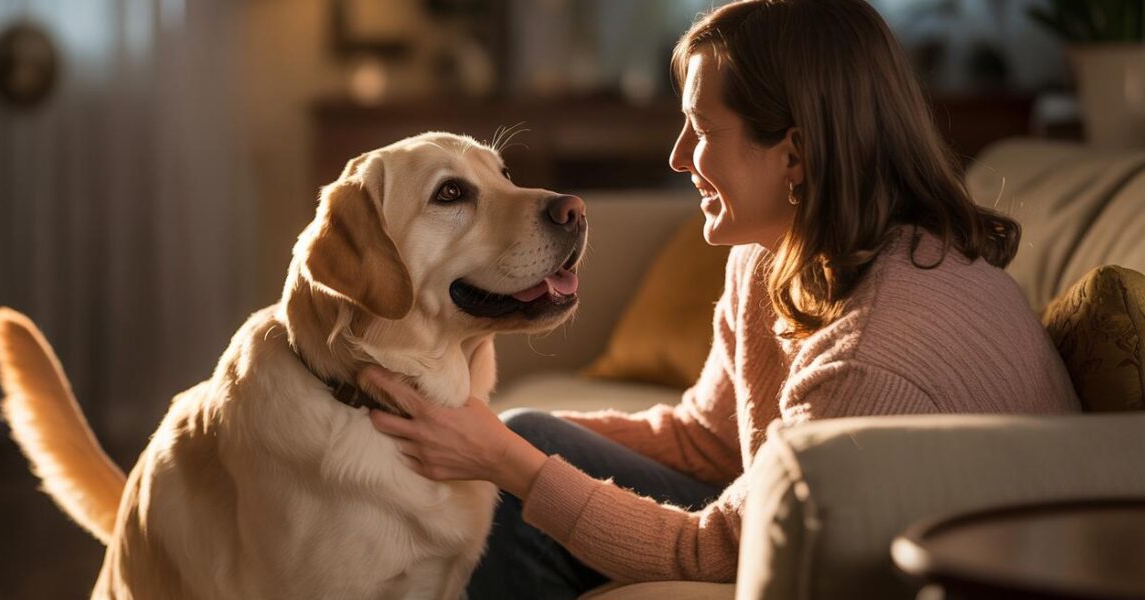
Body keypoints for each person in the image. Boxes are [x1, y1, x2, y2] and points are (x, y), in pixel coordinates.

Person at [361, 0, 1080, 597]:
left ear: (794, 155)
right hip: (794, 509)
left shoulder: (872, 358)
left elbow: (721, 553)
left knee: (515, 489)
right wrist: (500, 433)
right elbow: (706, 437)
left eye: (701, 130)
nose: (677, 157)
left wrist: (505, 462)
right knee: (529, 429)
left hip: (893, 566)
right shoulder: (771, 258)